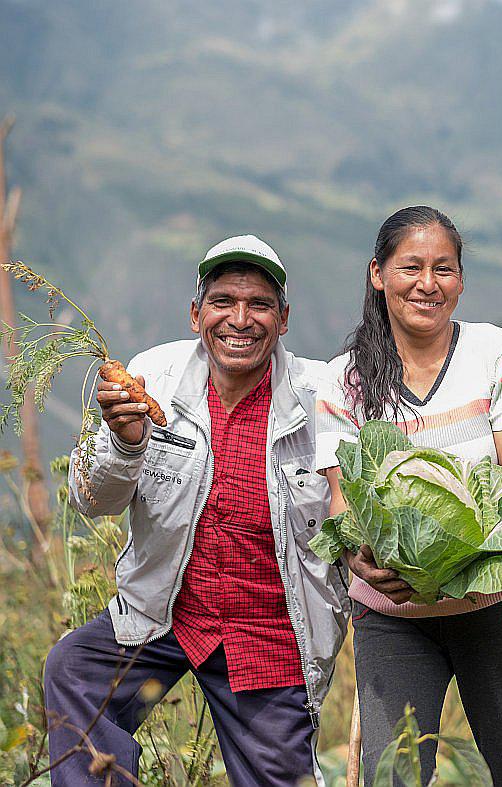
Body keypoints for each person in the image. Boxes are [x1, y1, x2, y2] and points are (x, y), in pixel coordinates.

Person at [45, 235, 349, 785]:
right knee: (74, 671)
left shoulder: (320, 396)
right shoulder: (152, 377)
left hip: (269, 633)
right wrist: (126, 444)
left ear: (284, 320)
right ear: (195, 315)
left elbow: (349, 516)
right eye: (223, 302)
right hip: (166, 613)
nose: (241, 319)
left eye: (259, 305)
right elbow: (92, 500)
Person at [315, 206, 502, 786]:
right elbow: (343, 507)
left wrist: (459, 558)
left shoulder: (499, 355)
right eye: (410, 267)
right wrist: (359, 560)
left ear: (462, 280)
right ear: (378, 275)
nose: (428, 283)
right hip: (396, 614)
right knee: (391, 775)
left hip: (498, 603)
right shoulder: (343, 380)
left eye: (443, 268)